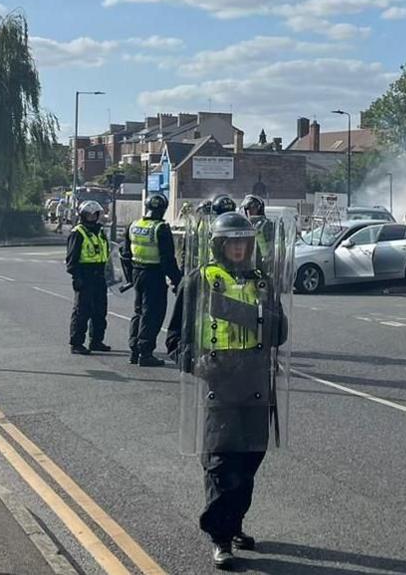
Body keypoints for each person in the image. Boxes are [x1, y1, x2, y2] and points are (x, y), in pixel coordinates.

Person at [166, 212, 288, 569]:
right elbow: (176, 339)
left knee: (249, 460)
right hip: (219, 383)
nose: (237, 247)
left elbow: (280, 332)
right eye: (231, 242)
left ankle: (234, 524)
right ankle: (219, 535)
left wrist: (253, 317)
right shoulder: (200, 281)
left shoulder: (262, 282)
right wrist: (196, 364)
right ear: (219, 245)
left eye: (243, 241)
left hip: (255, 382)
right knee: (221, 463)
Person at [120, 193, 181, 366]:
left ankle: (134, 351)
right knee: (152, 314)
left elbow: (125, 255)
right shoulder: (161, 228)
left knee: (138, 312)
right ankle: (145, 353)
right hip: (154, 275)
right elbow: (168, 260)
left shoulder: (133, 225)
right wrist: (178, 280)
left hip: (137, 274)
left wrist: (130, 276)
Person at [66, 200, 111, 355]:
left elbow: (106, 254)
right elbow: (71, 259)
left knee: (100, 311)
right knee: (81, 312)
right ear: (83, 215)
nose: (92, 217)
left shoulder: (100, 232)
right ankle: (76, 343)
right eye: (89, 214)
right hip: (85, 276)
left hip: (99, 275)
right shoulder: (77, 233)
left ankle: (96, 341)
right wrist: (76, 277)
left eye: (95, 214)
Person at [241, 194, 276, 266]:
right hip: (248, 260)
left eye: (253, 208)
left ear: (259, 209)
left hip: (264, 261)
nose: (250, 211)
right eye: (247, 209)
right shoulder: (245, 224)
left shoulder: (266, 224)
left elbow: (270, 246)